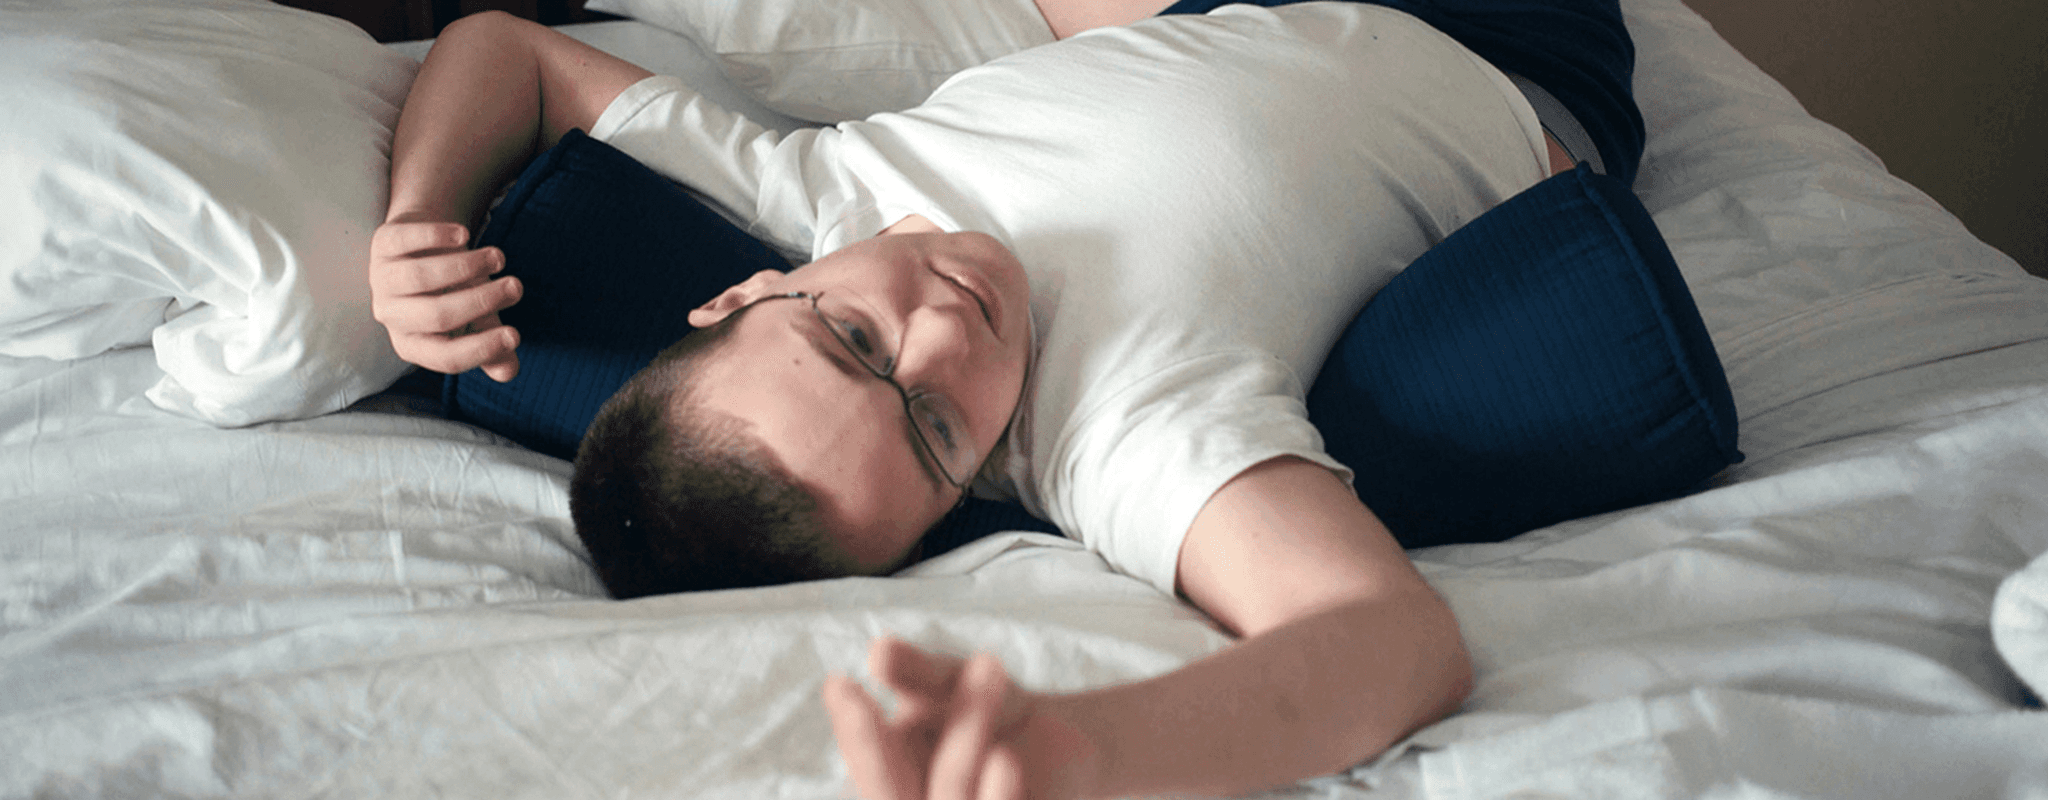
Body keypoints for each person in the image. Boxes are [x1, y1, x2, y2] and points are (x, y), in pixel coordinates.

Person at [368, 0, 1643, 796]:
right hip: (1494, 40)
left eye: (854, 338)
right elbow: (1388, 639)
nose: (939, 333)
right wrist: (1082, 752)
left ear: (748, 292)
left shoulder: (818, 193)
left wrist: (413, 226)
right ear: (949, 500)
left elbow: (506, 51)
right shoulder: (1123, 424)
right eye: (931, 426)